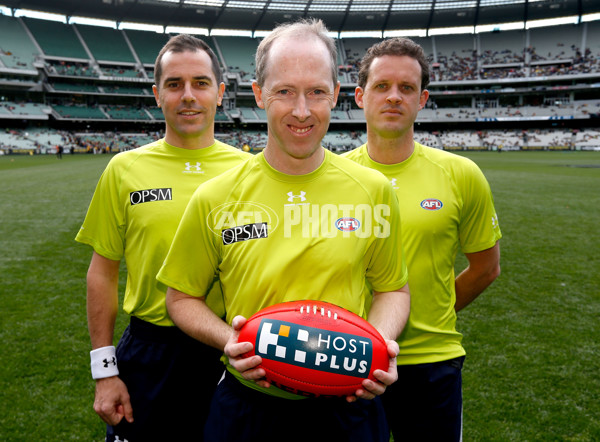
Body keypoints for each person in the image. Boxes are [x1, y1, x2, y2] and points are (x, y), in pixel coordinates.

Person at [156, 19, 411, 442]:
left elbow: (393, 289)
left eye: (316, 92)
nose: (301, 111)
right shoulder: (215, 196)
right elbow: (181, 298)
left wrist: (378, 346)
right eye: (284, 91)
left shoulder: (373, 191)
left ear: (336, 96)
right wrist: (228, 339)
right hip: (246, 408)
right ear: (258, 94)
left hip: (349, 408)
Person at [75, 34, 251, 441]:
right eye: (174, 84)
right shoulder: (124, 170)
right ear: (157, 95)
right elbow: (102, 274)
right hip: (150, 352)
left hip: (231, 349)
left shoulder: (251, 172)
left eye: (201, 83)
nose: (188, 95)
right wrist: (104, 373)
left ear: (220, 93)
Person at [343, 37, 502, 441]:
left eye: (406, 88)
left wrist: (434, 314)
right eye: (382, 86)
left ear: (423, 99)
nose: (393, 97)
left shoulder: (461, 173)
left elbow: (486, 268)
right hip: (351, 361)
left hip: (434, 361)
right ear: (360, 96)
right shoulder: (334, 177)